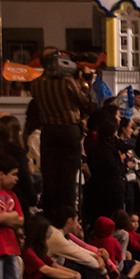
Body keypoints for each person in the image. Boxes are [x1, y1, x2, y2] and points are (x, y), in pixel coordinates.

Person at [30, 48, 94, 215]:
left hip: (48, 131)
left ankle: (52, 213)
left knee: (50, 176)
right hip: (69, 130)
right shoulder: (67, 82)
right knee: (68, 177)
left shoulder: (36, 84)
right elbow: (86, 105)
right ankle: (67, 215)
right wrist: (85, 85)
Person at [0, 115, 36, 216]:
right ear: (16, 133)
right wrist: (32, 199)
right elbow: (24, 177)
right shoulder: (17, 152)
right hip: (16, 197)